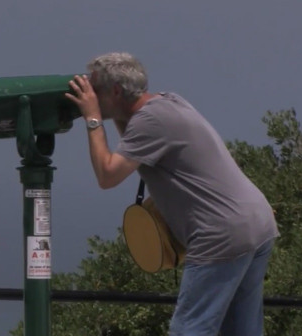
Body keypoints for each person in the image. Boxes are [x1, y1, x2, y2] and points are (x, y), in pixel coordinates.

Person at [65, 52, 279, 336]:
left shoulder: (149, 123)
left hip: (220, 232)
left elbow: (108, 175)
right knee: (241, 330)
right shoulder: (169, 102)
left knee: (189, 329)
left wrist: (92, 118)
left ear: (115, 91)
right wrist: (111, 110)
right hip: (257, 222)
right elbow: (133, 140)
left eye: (95, 90)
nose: (90, 95)